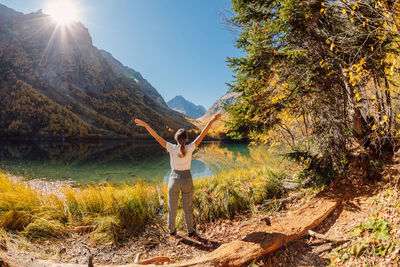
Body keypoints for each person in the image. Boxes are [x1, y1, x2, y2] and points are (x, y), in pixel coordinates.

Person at [135, 113, 221, 237]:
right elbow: (203, 134)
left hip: (174, 179)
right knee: (188, 208)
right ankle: (190, 232)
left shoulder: (171, 147)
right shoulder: (191, 147)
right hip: (186, 178)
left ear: (176, 138)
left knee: (172, 208)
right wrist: (212, 120)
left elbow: (156, 136)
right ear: (186, 139)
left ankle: (172, 231)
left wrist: (146, 125)